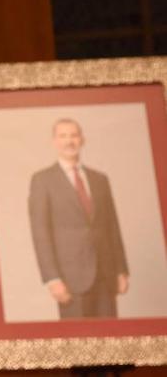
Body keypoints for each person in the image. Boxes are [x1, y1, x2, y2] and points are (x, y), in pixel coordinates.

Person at [28, 117, 130, 319]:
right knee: (77, 344)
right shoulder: (42, 180)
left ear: (82, 139)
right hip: (70, 279)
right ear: (54, 142)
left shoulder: (100, 179)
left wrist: (121, 270)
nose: (69, 141)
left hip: (106, 275)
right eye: (63, 136)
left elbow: (112, 227)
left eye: (74, 135)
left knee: (110, 342)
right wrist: (52, 278)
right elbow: (40, 234)